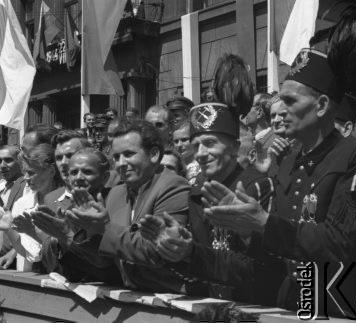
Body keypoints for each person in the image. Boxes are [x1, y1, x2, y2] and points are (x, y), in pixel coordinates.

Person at [194, 3, 356, 316]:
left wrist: (262, 223)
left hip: (334, 303)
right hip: (286, 300)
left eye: (292, 100)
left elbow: (343, 244)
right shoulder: (287, 156)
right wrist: (244, 224)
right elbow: (270, 249)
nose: (279, 108)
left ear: (322, 106)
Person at [138, 102, 282, 305]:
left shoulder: (258, 185)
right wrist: (177, 250)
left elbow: (261, 267)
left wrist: (193, 254)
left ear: (235, 147)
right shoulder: (197, 192)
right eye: (196, 145)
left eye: (210, 143)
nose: (201, 153)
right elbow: (200, 262)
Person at [65, 119, 191, 293]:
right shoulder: (116, 193)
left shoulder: (174, 186)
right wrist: (75, 232)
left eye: (129, 154)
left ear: (154, 154)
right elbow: (104, 261)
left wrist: (103, 228)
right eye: (116, 157)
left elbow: (157, 251)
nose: (121, 163)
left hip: (169, 300)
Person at [32, 148, 121, 284]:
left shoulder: (116, 203)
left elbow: (106, 261)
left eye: (87, 172)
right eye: (74, 172)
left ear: (105, 177)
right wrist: (56, 239)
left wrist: (67, 236)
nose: (79, 178)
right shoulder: (67, 208)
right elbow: (52, 266)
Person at [0, 144, 63, 272]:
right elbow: (25, 253)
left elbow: (63, 252)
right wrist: (9, 229)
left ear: (51, 171)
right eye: (24, 172)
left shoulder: (65, 200)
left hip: (63, 275)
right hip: (32, 274)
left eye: (31, 173)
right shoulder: (22, 204)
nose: (26, 178)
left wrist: (32, 232)